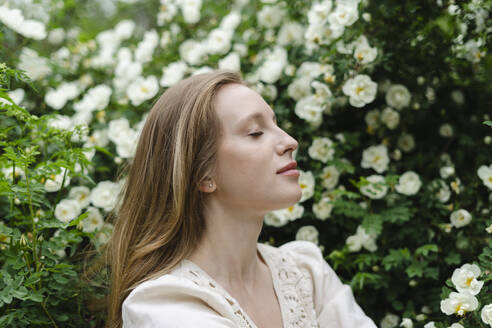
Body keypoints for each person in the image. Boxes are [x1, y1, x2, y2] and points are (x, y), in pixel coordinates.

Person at [106, 70, 377, 328]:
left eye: (276, 125)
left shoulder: (306, 272)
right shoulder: (162, 304)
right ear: (202, 174)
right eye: (255, 132)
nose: (290, 141)